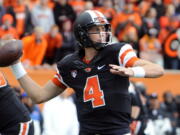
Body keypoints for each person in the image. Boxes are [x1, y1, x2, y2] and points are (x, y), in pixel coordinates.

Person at [9, 10, 164, 135]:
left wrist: (131, 70)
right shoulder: (70, 64)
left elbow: (157, 69)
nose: (103, 33)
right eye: (96, 29)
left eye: (104, 28)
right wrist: (16, 66)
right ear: (82, 33)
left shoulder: (118, 52)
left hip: (118, 131)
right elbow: (39, 96)